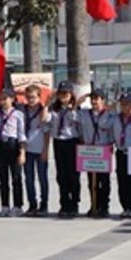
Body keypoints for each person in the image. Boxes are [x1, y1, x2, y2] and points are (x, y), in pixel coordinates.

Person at [78, 88, 114, 218]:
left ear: (103, 100)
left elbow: (111, 131)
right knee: (91, 181)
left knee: (104, 181)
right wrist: (79, 101)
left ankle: (104, 206)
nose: (94, 101)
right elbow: (73, 115)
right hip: (89, 150)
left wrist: (112, 144)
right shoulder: (84, 114)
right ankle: (94, 204)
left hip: (103, 149)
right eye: (92, 99)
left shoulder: (109, 115)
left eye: (97, 99)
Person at [0, 88, 27, 217]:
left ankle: (18, 205)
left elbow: (21, 134)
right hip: (0, 144)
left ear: (12, 99)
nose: (2, 101)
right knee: (3, 177)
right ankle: (4, 205)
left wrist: (22, 152)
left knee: (16, 177)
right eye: (1, 98)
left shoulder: (18, 114)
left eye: (5, 98)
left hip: (13, 144)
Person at [50, 81, 82, 218]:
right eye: (60, 93)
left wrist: (73, 108)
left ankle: (74, 203)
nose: (63, 96)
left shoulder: (77, 110)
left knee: (73, 175)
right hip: (59, 142)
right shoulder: (54, 109)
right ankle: (64, 203)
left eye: (66, 93)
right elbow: (46, 120)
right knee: (61, 175)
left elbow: (79, 124)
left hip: (72, 142)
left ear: (71, 95)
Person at [19, 85, 51, 217]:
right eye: (28, 97)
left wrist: (46, 150)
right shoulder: (22, 110)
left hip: (40, 149)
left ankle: (44, 204)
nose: (30, 100)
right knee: (29, 178)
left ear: (39, 97)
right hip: (27, 149)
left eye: (33, 97)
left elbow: (47, 132)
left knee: (42, 178)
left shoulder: (43, 110)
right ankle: (32, 204)